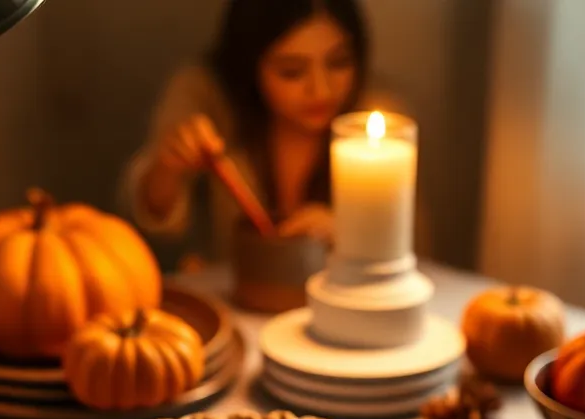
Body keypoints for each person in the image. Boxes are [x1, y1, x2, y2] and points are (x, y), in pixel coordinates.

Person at [123, 0, 392, 261]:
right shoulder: (207, 100)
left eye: (339, 63)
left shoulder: (379, 125)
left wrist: (354, 237)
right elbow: (150, 222)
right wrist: (168, 167)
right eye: (292, 71)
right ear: (250, 64)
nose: (321, 90)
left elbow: (404, 245)